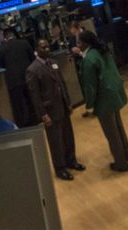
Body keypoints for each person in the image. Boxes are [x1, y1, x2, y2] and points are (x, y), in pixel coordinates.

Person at [27, 40, 85, 180]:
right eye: (43, 47)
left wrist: (68, 102)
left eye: (47, 46)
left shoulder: (53, 62)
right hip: (50, 111)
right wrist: (43, 115)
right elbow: (35, 96)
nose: (46, 48)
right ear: (37, 49)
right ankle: (60, 169)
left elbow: (62, 83)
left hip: (63, 106)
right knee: (55, 141)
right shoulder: (32, 70)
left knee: (68, 137)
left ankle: (71, 160)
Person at [77, 30, 128, 172]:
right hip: (115, 93)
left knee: (111, 134)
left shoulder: (88, 60)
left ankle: (121, 164)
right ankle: (126, 155)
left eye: (79, 42)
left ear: (84, 43)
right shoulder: (102, 51)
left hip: (104, 100)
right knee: (119, 128)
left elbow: (90, 87)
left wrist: (89, 107)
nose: (77, 45)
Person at [0, 29, 35, 127]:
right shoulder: (24, 43)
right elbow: (33, 58)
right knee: (31, 100)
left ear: (5, 38)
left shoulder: (2, 48)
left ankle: (23, 125)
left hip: (13, 81)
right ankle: (35, 120)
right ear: (13, 35)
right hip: (28, 77)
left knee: (18, 105)